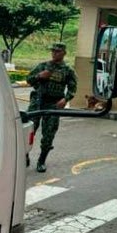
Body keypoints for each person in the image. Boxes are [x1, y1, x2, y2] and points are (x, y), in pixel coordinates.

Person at [26, 42, 77, 172]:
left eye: (58, 51)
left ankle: (41, 160)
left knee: (49, 134)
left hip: (53, 104)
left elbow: (72, 88)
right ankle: (25, 155)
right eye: (53, 51)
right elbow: (28, 79)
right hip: (38, 102)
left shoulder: (68, 70)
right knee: (28, 130)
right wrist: (39, 75)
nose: (54, 53)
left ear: (64, 53)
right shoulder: (43, 65)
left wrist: (65, 99)